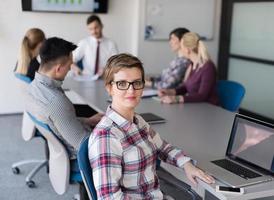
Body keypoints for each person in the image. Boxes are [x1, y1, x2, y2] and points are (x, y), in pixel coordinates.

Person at [88, 53, 215, 199]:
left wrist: (186, 164)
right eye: (122, 84)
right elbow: (109, 198)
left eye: (137, 83)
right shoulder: (106, 137)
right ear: (109, 88)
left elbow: (163, 147)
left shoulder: (138, 121)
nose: (131, 90)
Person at [26, 37, 103, 159]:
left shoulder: (33, 87)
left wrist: (87, 121)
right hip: (80, 156)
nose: (70, 68)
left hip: (64, 146)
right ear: (58, 69)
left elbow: (59, 121)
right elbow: (84, 145)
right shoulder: (56, 102)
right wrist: (108, 132)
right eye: (69, 64)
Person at [159, 32, 218, 105]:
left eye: (181, 46)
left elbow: (202, 96)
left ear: (187, 50)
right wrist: (169, 92)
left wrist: (176, 98)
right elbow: (185, 88)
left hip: (207, 108)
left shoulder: (208, 67)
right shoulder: (192, 65)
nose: (180, 49)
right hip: (195, 106)